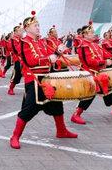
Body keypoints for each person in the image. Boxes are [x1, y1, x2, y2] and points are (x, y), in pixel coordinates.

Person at [9, 11, 78, 148]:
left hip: (47, 78)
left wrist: (57, 52)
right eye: (35, 25)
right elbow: (31, 61)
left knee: (57, 104)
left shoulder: (40, 42)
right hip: (34, 80)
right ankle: (15, 136)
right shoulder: (24, 42)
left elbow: (50, 57)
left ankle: (61, 130)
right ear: (27, 28)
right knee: (29, 109)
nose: (38, 27)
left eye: (38, 25)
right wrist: (50, 58)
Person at [70, 22, 112, 124]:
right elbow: (90, 62)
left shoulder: (95, 45)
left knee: (111, 88)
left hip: (99, 72)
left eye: (93, 32)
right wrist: (105, 62)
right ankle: (76, 114)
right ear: (84, 34)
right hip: (89, 73)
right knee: (90, 93)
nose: (94, 34)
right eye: (91, 33)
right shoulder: (83, 46)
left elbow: (106, 55)